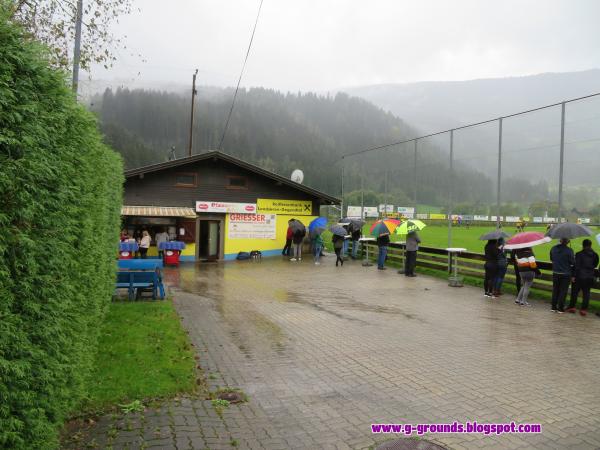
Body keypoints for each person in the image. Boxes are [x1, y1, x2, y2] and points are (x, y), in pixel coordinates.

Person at [566, 239, 599, 316]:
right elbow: (595, 265)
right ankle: (583, 309)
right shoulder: (595, 255)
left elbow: (576, 266)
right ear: (590, 245)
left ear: (583, 245)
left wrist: (573, 276)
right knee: (586, 294)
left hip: (579, 276)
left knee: (574, 292)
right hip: (589, 276)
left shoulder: (579, 254)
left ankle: (572, 307)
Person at [550, 238, 575, 313]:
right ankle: (560, 308)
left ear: (560, 240)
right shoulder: (569, 250)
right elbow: (572, 262)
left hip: (555, 272)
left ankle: (553, 307)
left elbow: (552, 258)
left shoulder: (553, 248)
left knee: (555, 290)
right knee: (563, 291)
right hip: (565, 273)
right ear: (568, 241)